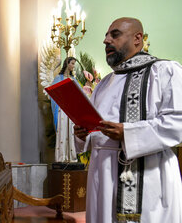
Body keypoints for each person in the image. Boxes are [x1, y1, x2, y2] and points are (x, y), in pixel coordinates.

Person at [74, 17, 182, 223]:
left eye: (114, 35)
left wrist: (128, 133)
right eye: (106, 36)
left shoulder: (165, 71)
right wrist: (82, 134)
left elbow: (178, 123)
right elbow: (93, 135)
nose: (106, 40)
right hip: (103, 177)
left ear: (137, 38)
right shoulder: (104, 83)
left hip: (150, 176)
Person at [51, 57, 78, 162]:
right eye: (72, 63)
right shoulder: (59, 78)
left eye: (74, 64)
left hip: (71, 109)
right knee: (63, 131)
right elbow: (53, 94)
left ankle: (71, 157)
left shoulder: (73, 79)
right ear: (67, 63)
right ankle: (62, 157)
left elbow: (79, 94)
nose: (73, 66)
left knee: (71, 132)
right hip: (62, 110)